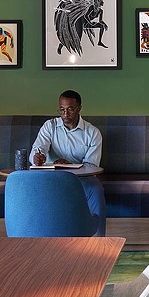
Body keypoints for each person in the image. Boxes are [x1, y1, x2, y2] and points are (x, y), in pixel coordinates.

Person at [29, 89, 106, 236]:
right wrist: (36, 158)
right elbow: (37, 150)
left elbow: (91, 166)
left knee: (95, 188)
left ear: (79, 109)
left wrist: (68, 165)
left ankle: (98, 241)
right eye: (62, 110)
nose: (65, 114)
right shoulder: (49, 126)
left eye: (70, 110)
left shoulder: (92, 133)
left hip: (81, 180)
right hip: (51, 178)